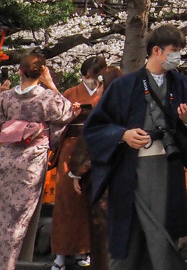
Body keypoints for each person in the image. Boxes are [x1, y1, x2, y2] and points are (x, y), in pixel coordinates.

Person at [84, 24, 187, 270]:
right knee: (130, 238)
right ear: (157, 51)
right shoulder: (125, 85)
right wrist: (123, 135)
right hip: (132, 170)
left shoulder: (183, 85)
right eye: (174, 50)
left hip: (168, 168)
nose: (177, 56)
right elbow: (95, 127)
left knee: (163, 228)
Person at [0, 53, 79, 270]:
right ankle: (9, 264)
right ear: (42, 73)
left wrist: (0, 98)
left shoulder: (6, 97)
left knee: (0, 213)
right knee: (20, 216)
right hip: (31, 160)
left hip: (6, 158)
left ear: (20, 71)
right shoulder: (48, 98)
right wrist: (51, 85)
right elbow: (68, 112)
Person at [52, 55, 108, 270]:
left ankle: (84, 250)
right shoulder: (70, 93)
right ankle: (60, 254)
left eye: (91, 77)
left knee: (91, 203)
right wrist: (70, 114)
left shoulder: (107, 92)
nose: (88, 81)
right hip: (71, 148)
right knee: (66, 201)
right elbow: (57, 120)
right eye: (84, 77)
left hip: (96, 149)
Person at [66, 66, 124, 270]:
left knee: (102, 236)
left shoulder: (103, 111)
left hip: (102, 177)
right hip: (127, 177)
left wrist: (76, 171)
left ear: (103, 85)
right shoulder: (131, 109)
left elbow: (89, 146)